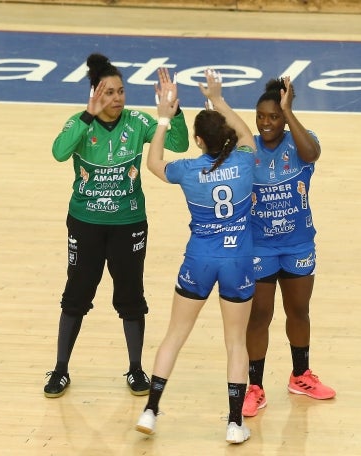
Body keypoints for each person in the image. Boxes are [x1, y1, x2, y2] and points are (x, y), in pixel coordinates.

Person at [44, 53, 189, 398]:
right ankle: (61, 369)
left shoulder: (137, 122)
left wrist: (172, 114)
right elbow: (59, 152)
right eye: (108, 92)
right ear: (94, 94)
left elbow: (179, 144)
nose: (116, 98)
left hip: (129, 222)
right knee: (76, 295)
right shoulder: (79, 123)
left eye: (120, 91)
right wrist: (85, 117)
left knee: (130, 295)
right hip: (86, 223)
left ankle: (136, 369)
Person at [134, 68, 255, 444]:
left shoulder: (187, 170)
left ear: (199, 141)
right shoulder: (245, 160)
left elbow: (153, 163)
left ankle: (150, 411)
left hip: (199, 260)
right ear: (227, 139)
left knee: (175, 334)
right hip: (238, 261)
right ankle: (235, 423)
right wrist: (217, 98)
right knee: (236, 342)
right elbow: (247, 133)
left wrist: (164, 119)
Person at [242, 76, 335, 418]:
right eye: (261, 116)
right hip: (260, 247)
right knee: (260, 316)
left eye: (273, 116)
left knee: (299, 311)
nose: (266, 123)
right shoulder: (246, 148)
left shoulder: (299, 144)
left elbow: (314, 153)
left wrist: (289, 111)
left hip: (297, 244)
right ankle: (254, 386)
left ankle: (300, 375)